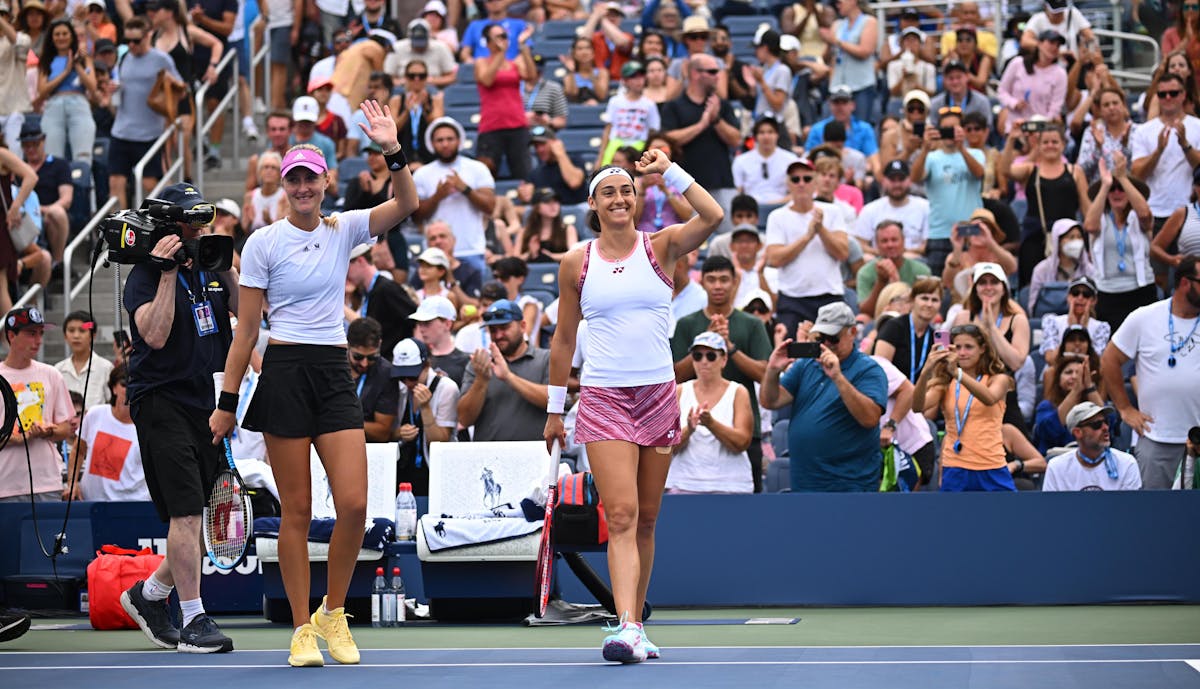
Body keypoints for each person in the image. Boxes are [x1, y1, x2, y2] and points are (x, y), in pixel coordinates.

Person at [209, 100, 419, 667]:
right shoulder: (261, 243)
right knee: (297, 511)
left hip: (330, 369)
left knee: (354, 505)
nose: (303, 187)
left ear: (326, 181)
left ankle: (333, 612)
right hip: (282, 370)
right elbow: (246, 331)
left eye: (311, 177)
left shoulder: (345, 226)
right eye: (294, 178)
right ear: (285, 184)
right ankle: (302, 628)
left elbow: (408, 201)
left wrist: (391, 146)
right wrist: (227, 403)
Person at [545, 149, 723, 662]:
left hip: (658, 394)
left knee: (646, 519)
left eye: (627, 190)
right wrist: (556, 410)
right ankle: (625, 627)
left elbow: (712, 216)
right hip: (603, 397)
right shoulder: (575, 262)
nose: (621, 198)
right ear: (594, 205)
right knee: (620, 515)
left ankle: (637, 623)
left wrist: (669, 170)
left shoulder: (662, 246)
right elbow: (562, 341)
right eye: (609, 192)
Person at [117, 183, 238, 654]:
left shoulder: (208, 270)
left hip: (203, 400)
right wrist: (168, 272)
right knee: (186, 512)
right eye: (191, 223)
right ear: (169, 226)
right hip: (159, 399)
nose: (200, 230)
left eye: (203, 221)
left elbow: (242, 323)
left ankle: (149, 596)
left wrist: (229, 270)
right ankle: (193, 619)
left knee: (196, 517)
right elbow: (156, 335)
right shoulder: (145, 275)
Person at [670, 255, 772, 492]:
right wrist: (706, 341)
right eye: (712, 279)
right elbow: (675, 375)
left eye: (724, 280)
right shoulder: (687, 324)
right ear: (702, 282)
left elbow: (764, 374)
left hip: (744, 428)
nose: (718, 286)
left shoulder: (751, 324)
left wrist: (728, 346)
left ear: (734, 282)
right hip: (692, 433)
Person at [760, 301, 887, 492]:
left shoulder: (869, 369)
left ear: (852, 333)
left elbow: (870, 418)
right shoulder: (806, 365)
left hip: (849, 484)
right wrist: (772, 370)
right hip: (805, 481)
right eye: (821, 337)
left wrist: (838, 377)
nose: (826, 344)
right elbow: (770, 401)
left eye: (833, 338)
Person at [1101, 256, 1200, 490]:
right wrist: (1125, 409)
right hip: (1157, 438)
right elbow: (1109, 360)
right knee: (1156, 517)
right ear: (1186, 283)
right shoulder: (1144, 317)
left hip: (1198, 437)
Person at [913, 322, 1015, 492]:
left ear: (982, 349)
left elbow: (989, 398)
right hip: (956, 466)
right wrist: (926, 371)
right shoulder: (946, 382)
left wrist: (957, 374)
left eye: (969, 347)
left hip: (991, 463)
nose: (962, 353)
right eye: (958, 347)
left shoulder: (997, 379)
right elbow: (917, 407)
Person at [764, 158, 850, 337]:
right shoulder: (777, 216)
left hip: (829, 296)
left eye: (807, 179)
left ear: (816, 182)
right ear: (788, 184)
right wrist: (807, 237)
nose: (801, 184)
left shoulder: (832, 211)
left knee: (837, 353)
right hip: (793, 299)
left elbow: (843, 253)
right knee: (791, 354)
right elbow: (774, 258)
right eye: (795, 179)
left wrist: (821, 230)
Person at [0, 306, 74, 504]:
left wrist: (47, 432)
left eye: (40, 333)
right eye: (31, 334)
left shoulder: (52, 374)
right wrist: (13, 438)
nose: (38, 340)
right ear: (11, 335)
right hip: (4, 484)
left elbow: (67, 427)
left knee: (48, 535)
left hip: (46, 482)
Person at [1004, 123, 1090, 288]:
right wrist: (1011, 139)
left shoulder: (1075, 171)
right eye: (1046, 142)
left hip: (1069, 238)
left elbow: (1086, 207)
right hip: (1037, 238)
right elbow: (1005, 170)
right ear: (1038, 145)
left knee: (1072, 285)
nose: (1050, 146)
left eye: (1055, 142)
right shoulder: (1030, 170)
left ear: (1063, 145)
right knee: (1033, 285)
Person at [108, 17, 182, 209]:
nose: (131, 45)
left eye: (136, 41)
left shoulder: (161, 59)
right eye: (127, 41)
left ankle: (177, 212)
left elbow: (181, 89)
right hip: (121, 131)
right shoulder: (124, 57)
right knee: (116, 182)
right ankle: (122, 229)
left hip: (149, 133)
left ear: (148, 36)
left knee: (150, 184)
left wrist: (170, 81)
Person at [667, 331, 753, 494]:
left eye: (711, 356)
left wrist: (711, 424)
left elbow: (742, 442)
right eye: (697, 356)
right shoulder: (679, 391)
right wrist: (689, 429)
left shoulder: (738, 392)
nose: (704, 362)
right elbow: (667, 446)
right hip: (683, 483)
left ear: (724, 359)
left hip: (730, 485)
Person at [412, 117, 496, 277]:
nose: (445, 144)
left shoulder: (477, 168)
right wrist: (438, 196)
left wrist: (465, 189)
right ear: (432, 143)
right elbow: (417, 217)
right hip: (435, 255)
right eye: (440, 140)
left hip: (471, 250)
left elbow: (490, 207)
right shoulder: (422, 174)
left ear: (459, 140)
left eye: (450, 139)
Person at [459, 298, 551, 442]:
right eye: (493, 330)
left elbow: (553, 401)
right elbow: (464, 419)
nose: (498, 335)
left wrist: (508, 377)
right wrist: (481, 381)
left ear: (522, 326)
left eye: (504, 327)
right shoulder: (480, 365)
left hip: (534, 457)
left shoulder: (545, 359)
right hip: (489, 459)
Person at [1081, 155, 1156, 330]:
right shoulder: (1101, 219)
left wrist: (1122, 177)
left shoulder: (1137, 218)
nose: (1116, 192)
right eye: (1112, 190)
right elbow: (1089, 226)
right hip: (1107, 293)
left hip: (1140, 291)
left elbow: (1145, 214)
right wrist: (1105, 185)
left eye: (1121, 189)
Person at [912, 106, 984, 276]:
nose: (950, 133)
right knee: (938, 283)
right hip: (939, 232)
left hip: (970, 230)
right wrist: (924, 149)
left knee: (971, 281)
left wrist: (961, 148)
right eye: (946, 129)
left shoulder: (975, 153)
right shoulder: (931, 157)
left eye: (954, 128)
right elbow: (915, 178)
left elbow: (979, 173)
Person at [64, 363, 149, 502]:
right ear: (114, 388)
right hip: (92, 504)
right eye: (124, 384)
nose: (129, 390)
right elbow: (78, 451)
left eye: (136, 385)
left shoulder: (149, 426)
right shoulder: (95, 414)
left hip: (133, 505)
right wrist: (72, 484)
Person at [391, 337, 458, 495]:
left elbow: (440, 442)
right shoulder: (399, 388)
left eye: (413, 377)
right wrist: (399, 433)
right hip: (402, 471)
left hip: (433, 474)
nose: (407, 382)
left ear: (427, 366)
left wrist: (426, 408)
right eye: (402, 377)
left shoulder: (447, 388)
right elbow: (386, 434)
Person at [474, 21, 536, 182]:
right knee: (486, 174)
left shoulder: (514, 63)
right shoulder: (481, 62)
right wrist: (500, 54)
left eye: (504, 36)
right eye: (498, 37)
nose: (502, 40)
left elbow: (531, 76)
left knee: (523, 173)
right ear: (488, 42)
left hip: (517, 125)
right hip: (491, 125)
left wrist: (523, 46)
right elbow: (487, 80)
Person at [1043, 402, 1142, 491]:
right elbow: (1052, 509)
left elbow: (1129, 509)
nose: (1105, 428)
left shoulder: (1127, 463)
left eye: (1106, 422)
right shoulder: (1056, 467)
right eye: (1097, 424)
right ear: (1078, 432)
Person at [344, 242, 417, 358]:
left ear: (360, 261)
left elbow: (415, 319)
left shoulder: (387, 289)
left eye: (346, 268)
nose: (345, 275)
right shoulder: (370, 292)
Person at [1033, 343, 1105, 454]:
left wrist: (1089, 385)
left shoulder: (1092, 404)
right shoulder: (1046, 406)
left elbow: (1109, 423)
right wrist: (1076, 391)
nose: (1075, 376)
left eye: (1079, 373)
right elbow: (1048, 431)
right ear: (1058, 379)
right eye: (1068, 372)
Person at [996, 30, 1067, 135]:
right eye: (1051, 43)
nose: (1055, 48)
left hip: (1040, 131)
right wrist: (1014, 103)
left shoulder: (1060, 74)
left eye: (1058, 45)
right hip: (1015, 127)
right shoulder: (1018, 63)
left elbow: (1055, 107)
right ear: (1039, 43)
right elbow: (1002, 91)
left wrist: (1043, 124)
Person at [855, 220, 931, 318]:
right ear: (877, 245)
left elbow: (927, 305)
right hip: (878, 320)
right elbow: (865, 310)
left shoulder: (922, 270)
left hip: (914, 318)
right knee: (862, 318)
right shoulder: (865, 272)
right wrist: (881, 281)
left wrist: (898, 287)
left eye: (894, 240)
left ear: (903, 241)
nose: (890, 245)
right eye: (884, 241)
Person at [873, 276, 941, 383]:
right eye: (924, 298)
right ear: (912, 300)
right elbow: (880, 370)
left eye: (935, 300)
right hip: (892, 393)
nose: (929, 304)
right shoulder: (893, 326)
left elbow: (940, 377)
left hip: (923, 396)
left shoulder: (938, 337)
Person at [854, 159, 929, 256]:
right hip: (878, 259)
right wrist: (883, 253)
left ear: (909, 181)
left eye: (901, 179)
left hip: (912, 259)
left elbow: (927, 245)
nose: (897, 184)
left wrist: (901, 253)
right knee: (866, 257)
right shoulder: (870, 209)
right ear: (884, 181)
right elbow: (860, 243)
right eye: (892, 180)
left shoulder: (925, 207)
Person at [345, 317, 398, 443]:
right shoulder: (331, 367)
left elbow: (382, 432)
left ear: (379, 344)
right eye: (358, 357)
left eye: (372, 357)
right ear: (347, 345)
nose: (364, 363)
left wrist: (343, 422)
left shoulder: (386, 374)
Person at [1028, 218, 1095, 315]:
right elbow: (1033, 305)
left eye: (1079, 237)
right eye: (1071, 237)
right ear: (1058, 241)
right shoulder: (1041, 270)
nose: (1076, 241)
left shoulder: (1089, 270)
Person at [1040, 276, 1111, 366]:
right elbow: (1051, 359)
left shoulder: (1102, 328)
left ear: (1094, 300)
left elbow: (1095, 363)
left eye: (1086, 294)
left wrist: (1083, 331)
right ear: (1068, 297)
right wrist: (1070, 330)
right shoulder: (1051, 321)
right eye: (1075, 293)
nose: (1080, 298)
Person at [53, 310, 113, 411]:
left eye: (82, 331)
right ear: (65, 336)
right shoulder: (57, 370)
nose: (76, 336)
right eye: (71, 331)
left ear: (93, 335)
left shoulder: (106, 368)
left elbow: (112, 405)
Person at [731, 115, 798, 203]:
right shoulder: (740, 161)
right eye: (761, 132)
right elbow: (738, 192)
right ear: (755, 136)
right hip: (751, 210)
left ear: (777, 134)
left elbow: (796, 192)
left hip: (782, 208)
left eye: (770, 132)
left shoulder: (791, 160)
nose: (766, 137)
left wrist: (775, 203)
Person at [410, 295, 470, 386]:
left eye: (427, 323)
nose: (421, 328)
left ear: (447, 324)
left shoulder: (465, 362)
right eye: (419, 323)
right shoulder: (415, 358)